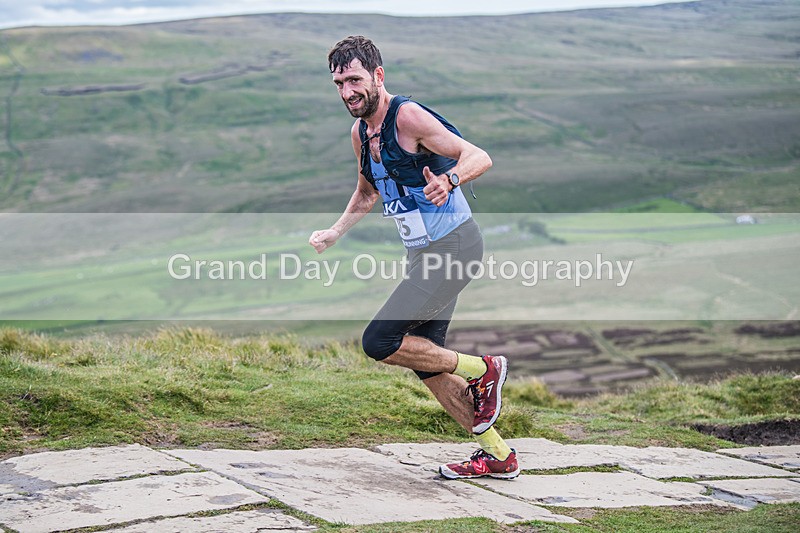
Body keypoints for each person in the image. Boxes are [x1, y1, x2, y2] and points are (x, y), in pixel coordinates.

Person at [309, 35, 518, 480]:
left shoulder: (406, 116)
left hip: (455, 247)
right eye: (339, 83)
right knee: (426, 361)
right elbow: (367, 195)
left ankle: (485, 368)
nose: (347, 92)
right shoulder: (359, 134)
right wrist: (334, 232)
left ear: (378, 76)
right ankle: (497, 455)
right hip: (424, 256)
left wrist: (453, 180)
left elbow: (478, 155)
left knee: (378, 342)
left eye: (355, 79)